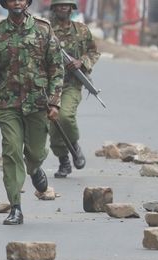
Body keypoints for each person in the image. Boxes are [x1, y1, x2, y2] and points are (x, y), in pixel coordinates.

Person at [0, 0, 64, 225]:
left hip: (37, 104)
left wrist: (54, 103)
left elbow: (56, 68)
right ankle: (15, 207)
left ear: (27, 2)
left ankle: (34, 168)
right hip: (7, 105)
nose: (17, 1)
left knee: (34, 153)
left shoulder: (43, 29)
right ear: (5, 3)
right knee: (12, 151)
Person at [49, 0, 100, 178]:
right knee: (53, 123)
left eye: (67, 4)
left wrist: (81, 62)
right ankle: (64, 160)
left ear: (71, 8)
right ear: (54, 8)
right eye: (60, 4)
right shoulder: (45, 30)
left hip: (71, 84)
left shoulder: (82, 30)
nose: (63, 7)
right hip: (48, 86)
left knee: (65, 116)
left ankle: (74, 146)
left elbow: (94, 52)